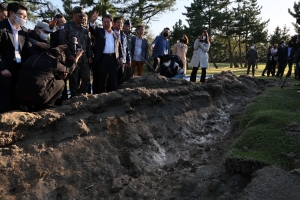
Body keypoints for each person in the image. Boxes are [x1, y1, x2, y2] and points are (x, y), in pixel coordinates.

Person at [15, 46, 83, 111]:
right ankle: (48, 106)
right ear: (58, 57)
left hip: (20, 98)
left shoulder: (31, 58)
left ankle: (28, 106)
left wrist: (57, 48)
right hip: (37, 99)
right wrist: (77, 57)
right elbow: (69, 70)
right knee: (61, 82)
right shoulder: (54, 62)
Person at [0, 2, 38, 113]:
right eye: (22, 15)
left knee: (17, 93)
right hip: (3, 67)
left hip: (18, 66)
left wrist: (41, 59)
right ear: (12, 13)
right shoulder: (1, 28)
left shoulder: (24, 31)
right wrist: (2, 68)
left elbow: (29, 49)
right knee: (5, 94)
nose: (24, 18)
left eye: (26, 16)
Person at [59, 6, 92, 97]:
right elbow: (62, 43)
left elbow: (88, 44)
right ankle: (74, 100)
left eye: (83, 16)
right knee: (73, 82)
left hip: (84, 59)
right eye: (79, 15)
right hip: (72, 59)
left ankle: (82, 97)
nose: (82, 17)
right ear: (73, 15)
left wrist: (89, 56)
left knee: (86, 79)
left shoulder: (84, 29)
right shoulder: (66, 27)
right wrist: (69, 55)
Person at [89, 12, 125, 94]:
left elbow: (120, 48)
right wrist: (92, 21)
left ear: (112, 23)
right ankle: (98, 97)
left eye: (107, 22)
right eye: (104, 22)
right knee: (100, 79)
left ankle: (112, 96)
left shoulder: (116, 34)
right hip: (102, 59)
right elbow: (92, 29)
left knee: (113, 79)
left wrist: (121, 58)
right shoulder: (99, 31)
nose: (105, 24)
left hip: (113, 59)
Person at [112, 17, 131, 85]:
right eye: (118, 22)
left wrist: (128, 59)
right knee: (113, 79)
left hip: (123, 60)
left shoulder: (123, 35)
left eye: (121, 22)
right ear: (113, 23)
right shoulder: (111, 32)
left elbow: (126, 48)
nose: (120, 24)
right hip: (113, 60)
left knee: (121, 78)